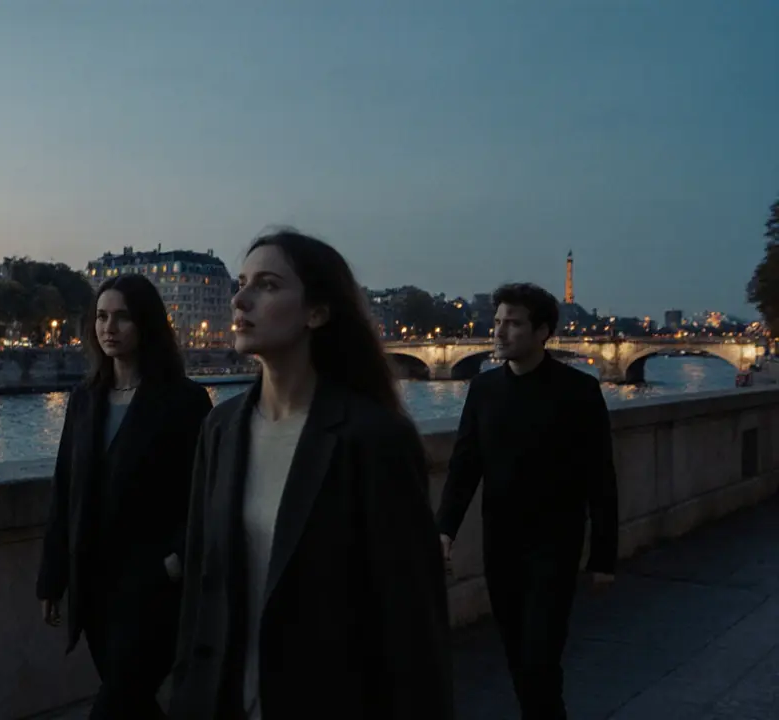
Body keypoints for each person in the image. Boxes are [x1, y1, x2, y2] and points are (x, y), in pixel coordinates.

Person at [169, 230, 454, 719]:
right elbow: (201, 586)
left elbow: (410, 620)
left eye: (268, 285)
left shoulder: (374, 438)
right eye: (241, 284)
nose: (240, 298)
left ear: (317, 313)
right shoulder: (221, 428)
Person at [436, 282, 619, 720]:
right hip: (500, 545)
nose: (499, 332)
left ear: (543, 332)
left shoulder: (578, 391)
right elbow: (465, 466)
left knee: (539, 659)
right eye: (497, 322)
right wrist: (444, 530)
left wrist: (604, 557)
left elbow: (600, 478)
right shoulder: (483, 390)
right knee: (519, 658)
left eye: (513, 323)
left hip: (554, 546)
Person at [37, 274, 212, 719]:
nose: (108, 328)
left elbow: (204, 494)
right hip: (95, 587)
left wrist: (173, 563)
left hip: (152, 590)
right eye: (100, 317)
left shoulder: (184, 402)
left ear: (147, 325)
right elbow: (65, 489)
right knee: (133, 703)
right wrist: (52, 578)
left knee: (116, 703)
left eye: (122, 318)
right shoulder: (84, 399)